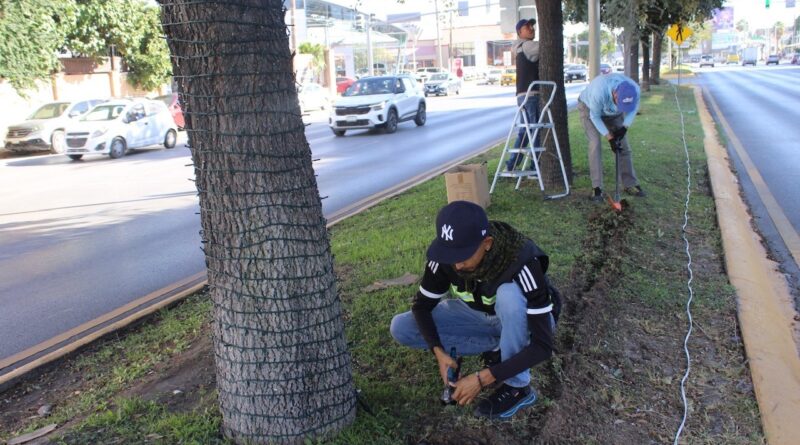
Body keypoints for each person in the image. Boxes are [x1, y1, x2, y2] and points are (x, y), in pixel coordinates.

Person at [390, 201, 559, 419]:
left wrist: (482, 378)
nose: (457, 265)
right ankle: (501, 349)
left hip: (527, 323)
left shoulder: (522, 259)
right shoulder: (445, 259)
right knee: (401, 327)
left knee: (509, 296)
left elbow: (543, 346)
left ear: (487, 243)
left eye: (463, 255)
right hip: (477, 316)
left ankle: (517, 387)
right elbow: (421, 307)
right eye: (450, 255)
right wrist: (439, 352)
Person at [577, 73, 646, 201]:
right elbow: (595, 117)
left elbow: (632, 110)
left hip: (613, 114)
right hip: (589, 109)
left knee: (623, 146)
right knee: (595, 144)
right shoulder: (599, 91)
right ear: (615, 94)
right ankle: (596, 188)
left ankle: (630, 184)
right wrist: (610, 138)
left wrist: (624, 128)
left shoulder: (635, 90)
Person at [506, 18, 541, 171]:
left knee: (525, 130)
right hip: (531, 94)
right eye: (528, 27)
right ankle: (535, 167)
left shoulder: (519, 46)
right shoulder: (527, 45)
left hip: (522, 94)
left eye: (532, 26)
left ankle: (512, 165)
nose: (532, 29)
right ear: (520, 32)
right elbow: (546, 47)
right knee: (535, 130)